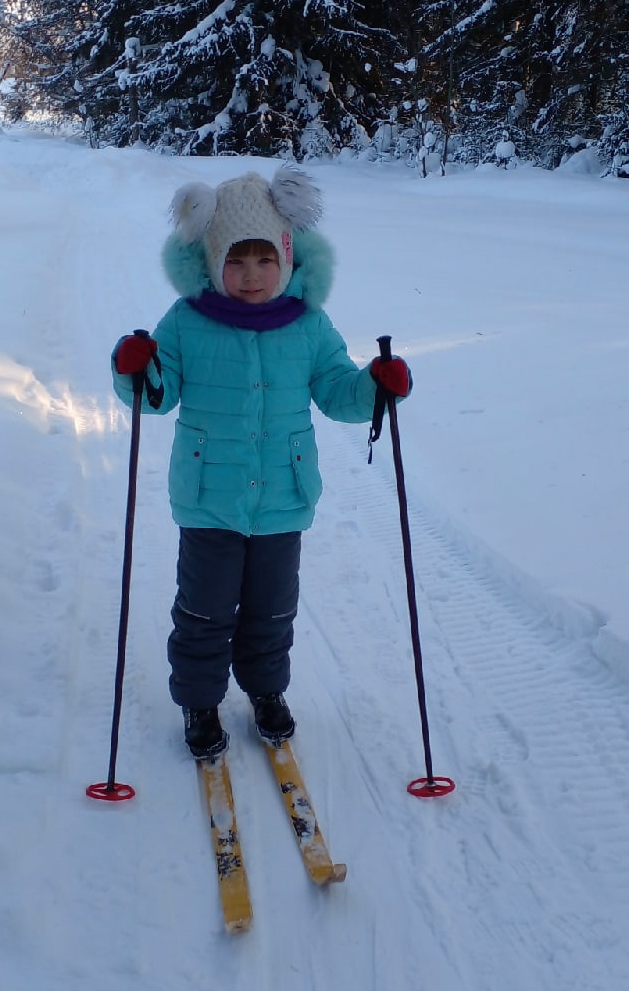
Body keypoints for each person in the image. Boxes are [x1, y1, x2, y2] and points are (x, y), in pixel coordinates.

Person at [112, 165, 412, 760]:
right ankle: (200, 700)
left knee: (273, 608)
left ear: (288, 257)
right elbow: (158, 394)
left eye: (264, 260)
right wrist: (135, 368)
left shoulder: (307, 325)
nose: (251, 276)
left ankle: (267, 692)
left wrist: (377, 387)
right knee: (204, 609)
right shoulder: (188, 322)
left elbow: (335, 391)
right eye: (236, 261)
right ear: (213, 260)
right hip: (208, 499)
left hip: (282, 496)